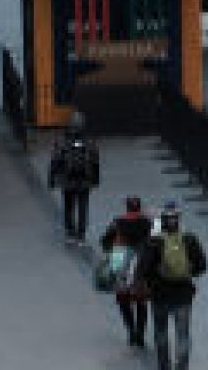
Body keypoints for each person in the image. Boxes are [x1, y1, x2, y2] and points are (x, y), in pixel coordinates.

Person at [137, 203, 207, 370]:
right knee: (182, 335)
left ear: (162, 221)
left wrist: (149, 282)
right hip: (183, 294)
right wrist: (189, 273)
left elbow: (143, 269)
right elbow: (202, 265)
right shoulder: (189, 239)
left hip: (160, 294)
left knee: (161, 333)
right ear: (179, 220)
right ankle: (182, 367)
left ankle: (164, 366)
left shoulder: (154, 242)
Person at [99, 196, 154, 347]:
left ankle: (131, 331)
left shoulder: (117, 222)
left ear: (127, 208)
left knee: (123, 299)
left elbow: (104, 241)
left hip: (120, 260)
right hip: (141, 263)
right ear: (139, 208)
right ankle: (140, 334)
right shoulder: (148, 223)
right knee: (141, 301)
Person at [48, 112, 101, 244]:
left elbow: (55, 161)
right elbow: (95, 162)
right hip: (85, 180)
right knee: (83, 207)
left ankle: (70, 232)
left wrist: (51, 179)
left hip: (67, 180)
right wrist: (95, 180)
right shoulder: (89, 141)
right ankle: (81, 234)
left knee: (68, 206)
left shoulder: (62, 142)